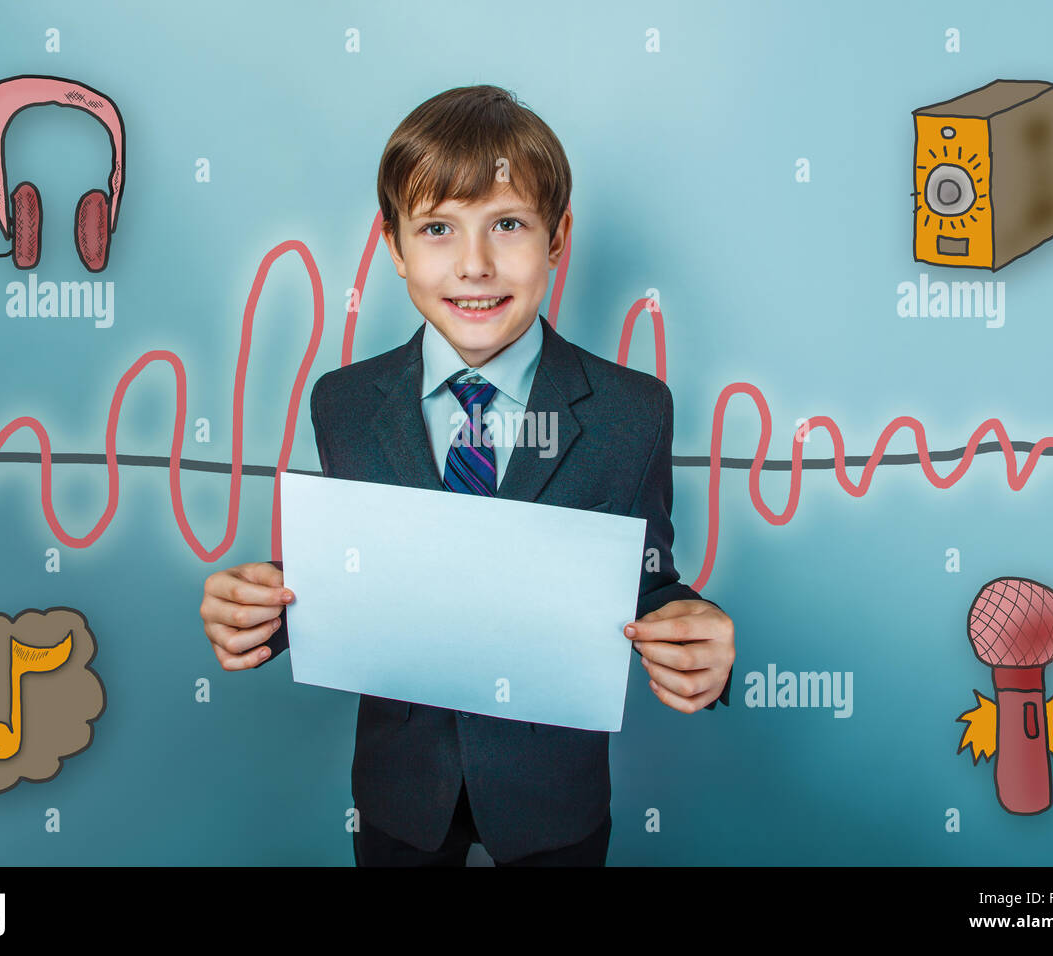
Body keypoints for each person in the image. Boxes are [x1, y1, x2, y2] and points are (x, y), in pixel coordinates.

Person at [199, 85, 736, 866]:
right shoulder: (345, 404)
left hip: (553, 797)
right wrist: (263, 611)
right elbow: (354, 573)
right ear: (395, 246)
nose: (475, 265)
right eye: (439, 229)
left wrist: (700, 637)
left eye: (508, 225)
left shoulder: (633, 411)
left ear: (557, 240)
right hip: (400, 792)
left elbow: (648, 582)